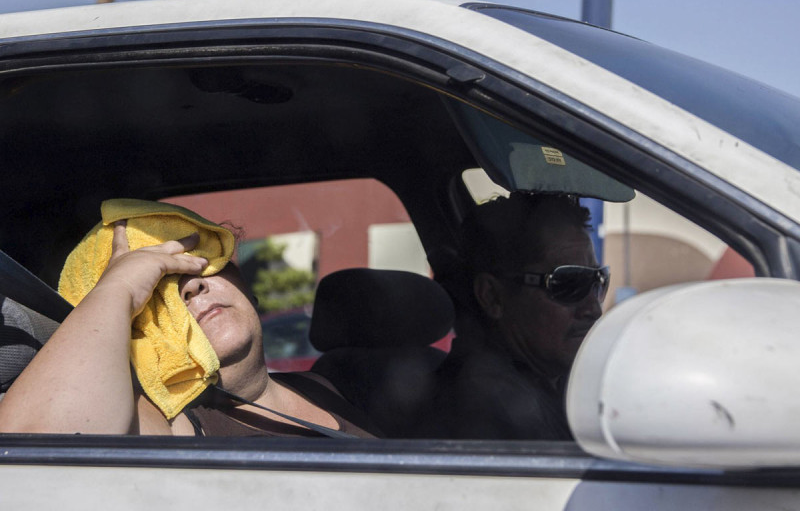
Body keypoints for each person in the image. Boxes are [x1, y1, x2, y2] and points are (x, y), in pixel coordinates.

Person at [0, 218, 375, 437]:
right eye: (156, 282)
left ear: (245, 283)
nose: (192, 284)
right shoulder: (170, 425)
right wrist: (119, 288)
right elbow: (37, 464)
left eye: (200, 260)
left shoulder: (342, 383)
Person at [426, 193, 607, 440]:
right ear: (493, 297)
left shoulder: (552, 382)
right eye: (568, 284)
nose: (593, 308)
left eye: (598, 281)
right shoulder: (490, 408)